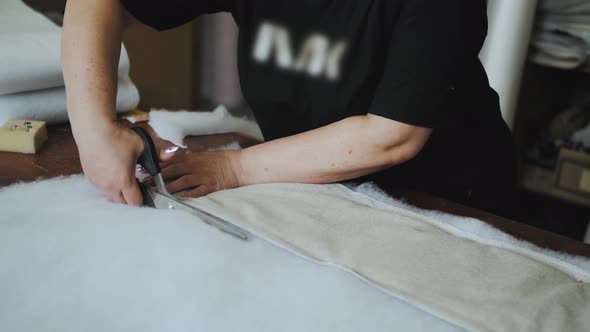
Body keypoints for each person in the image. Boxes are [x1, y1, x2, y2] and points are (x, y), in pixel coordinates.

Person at [62, 0, 516, 216]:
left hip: (441, 199)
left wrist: (235, 169)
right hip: (313, 188)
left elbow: (392, 134)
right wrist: (94, 128)